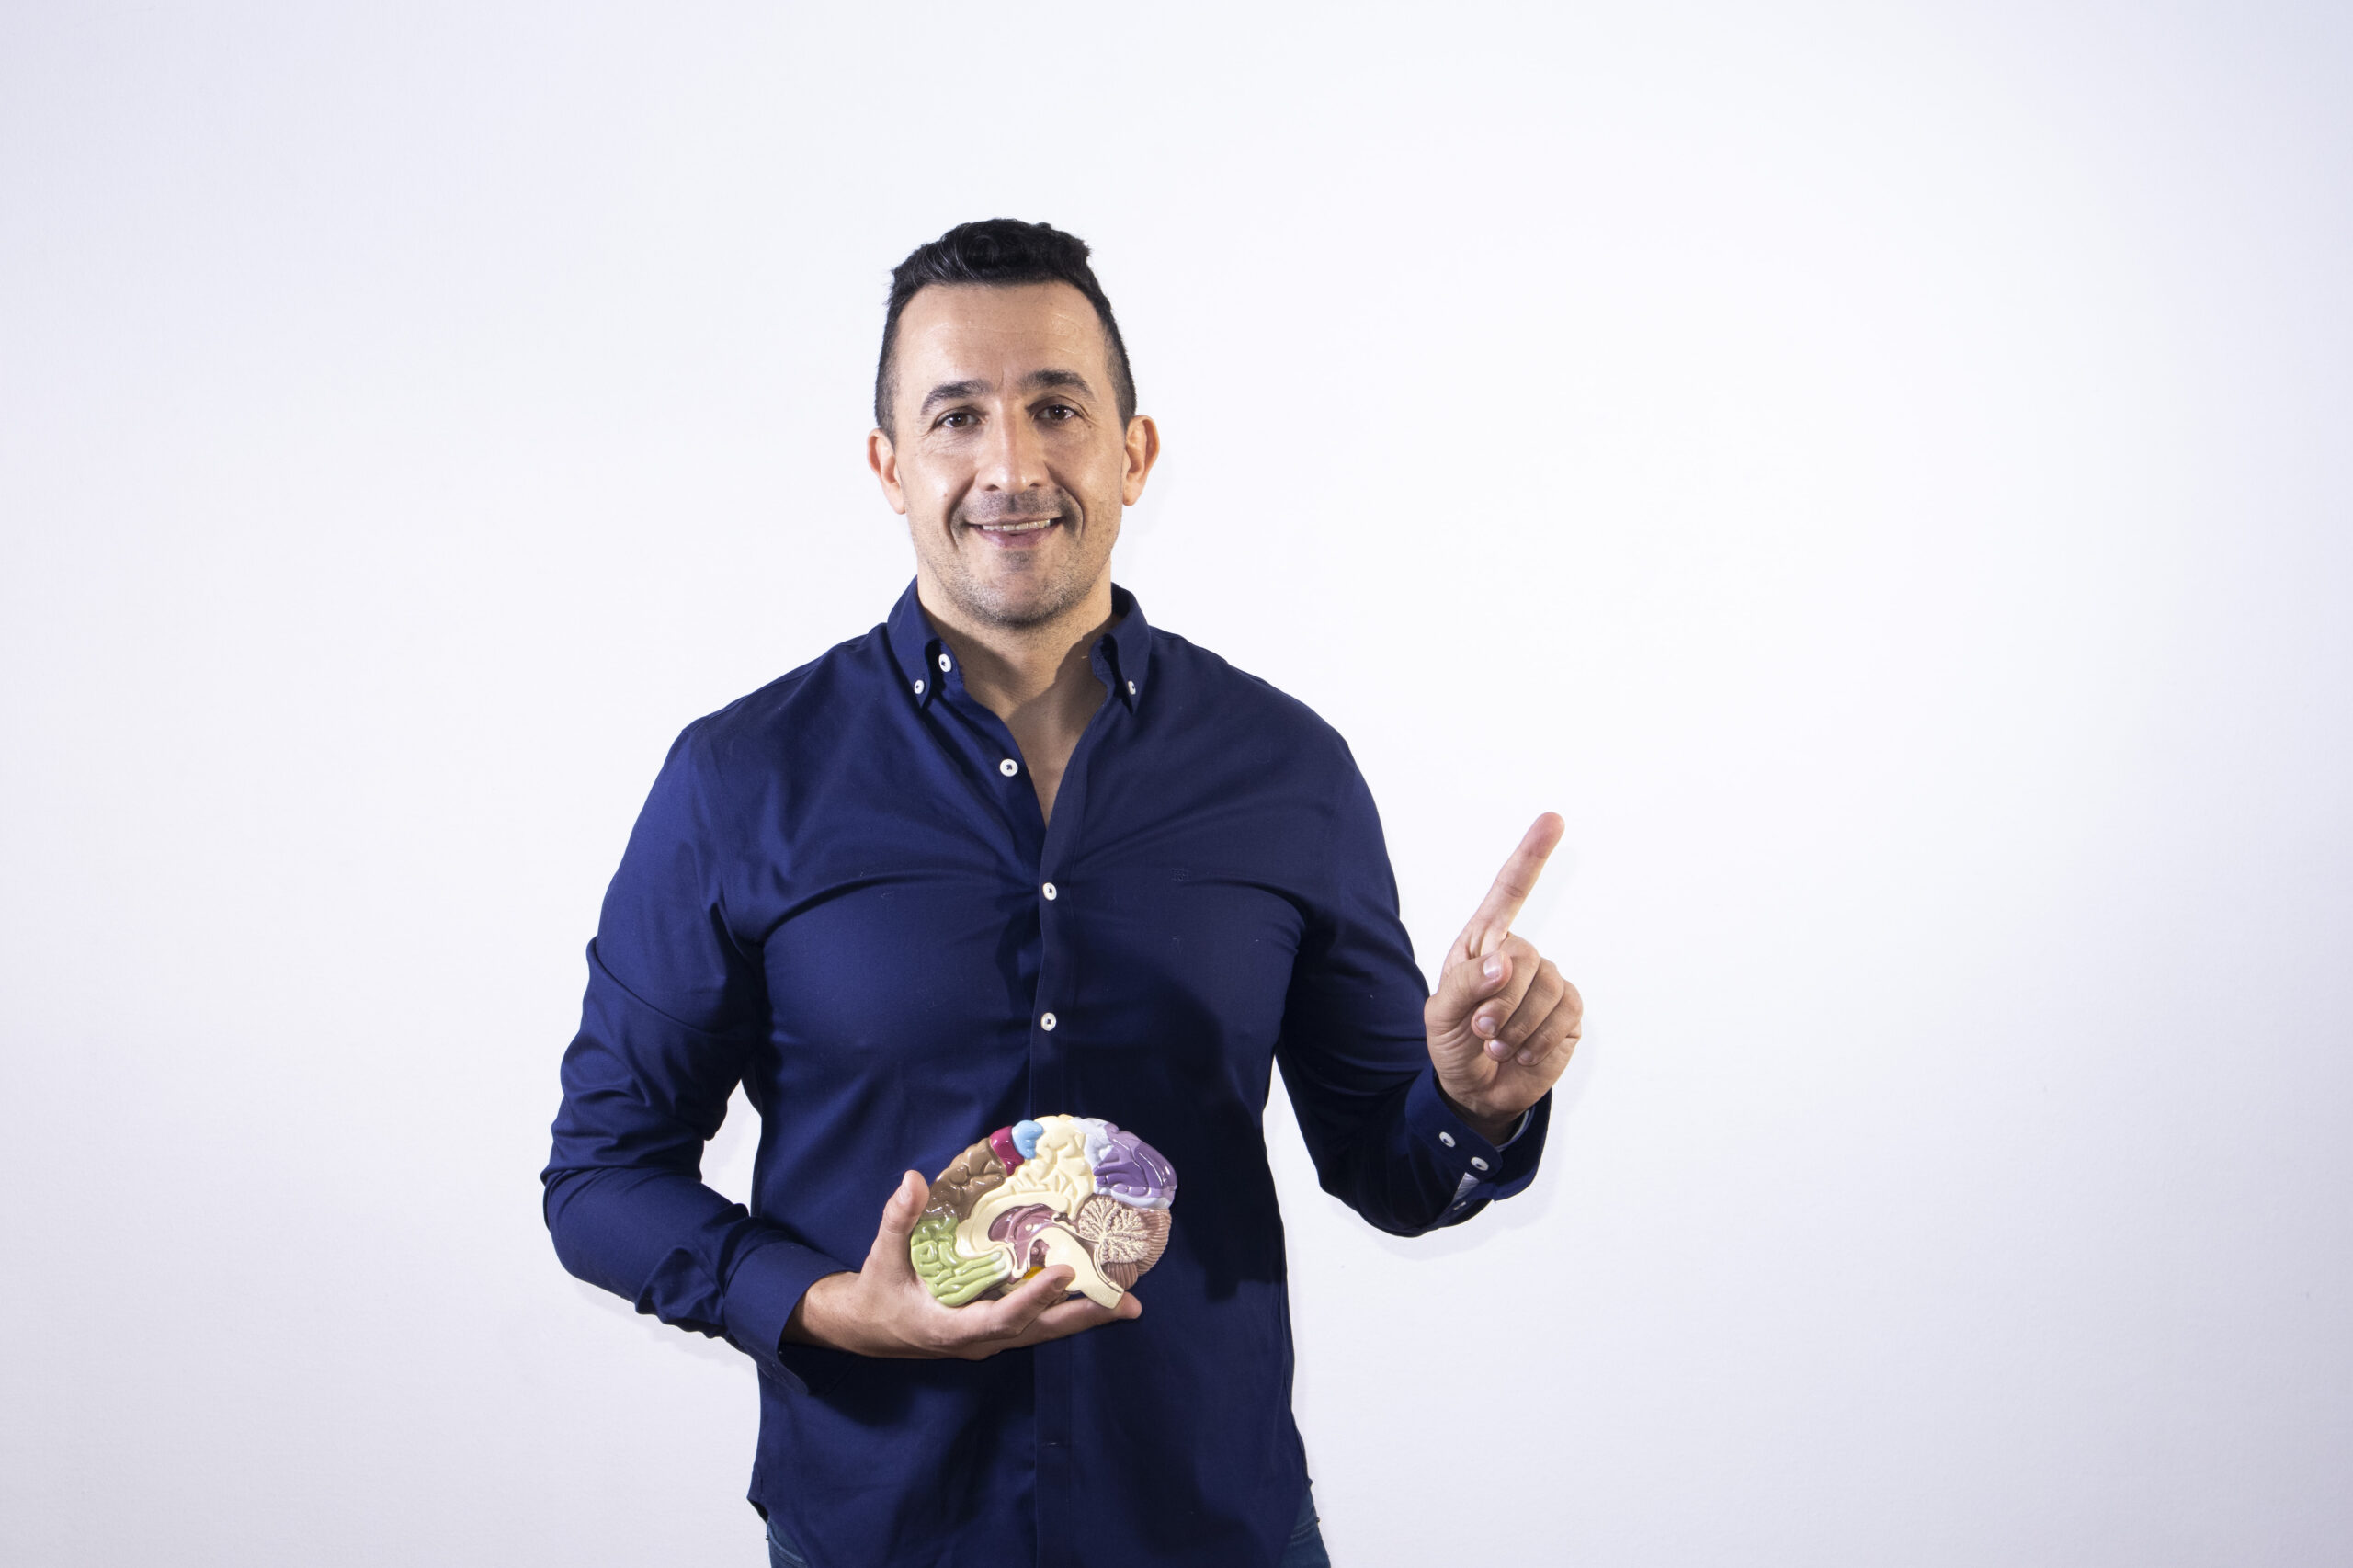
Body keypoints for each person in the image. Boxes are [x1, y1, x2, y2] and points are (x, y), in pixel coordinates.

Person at [541, 218, 1585, 1568]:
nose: (1011, 465)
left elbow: (1396, 1169)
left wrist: (1473, 1102)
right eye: (956, 417)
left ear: (1133, 452)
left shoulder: (1286, 772)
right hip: (881, 1532)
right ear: (890, 465)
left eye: (1056, 409)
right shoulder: (740, 779)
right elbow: (603, 1176)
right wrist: (830, 1306)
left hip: (1212, 1527)